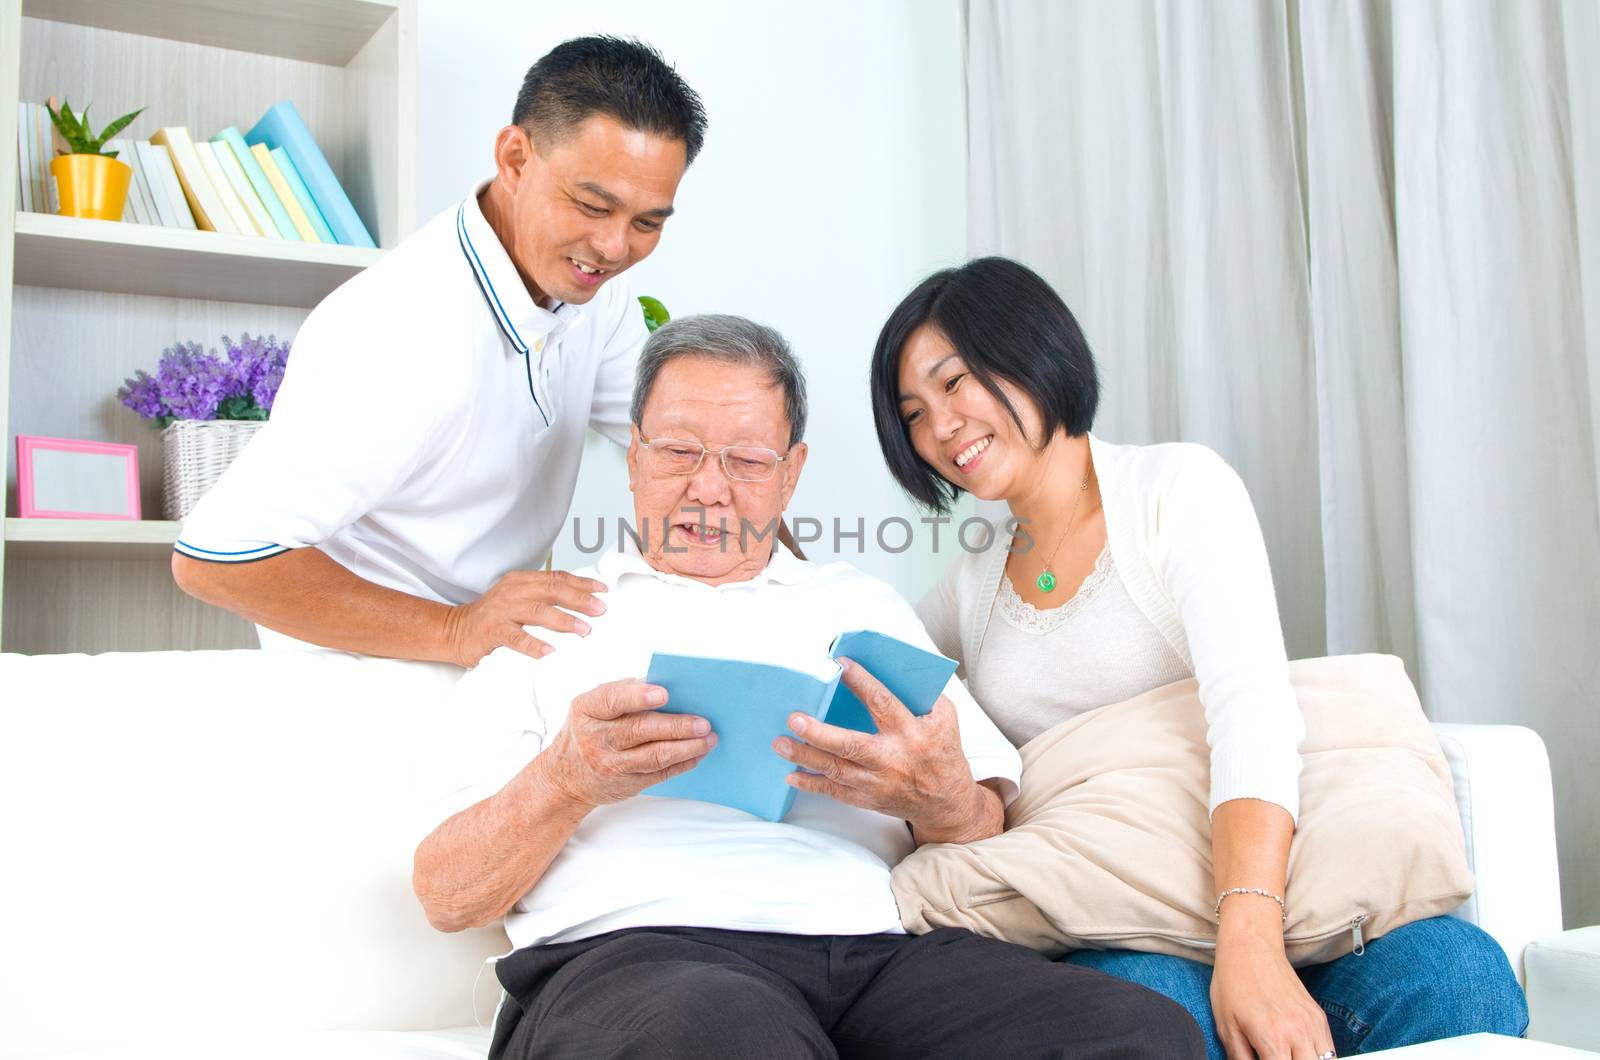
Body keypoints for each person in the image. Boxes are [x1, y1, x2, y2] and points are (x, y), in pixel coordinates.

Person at [414, 314, 1205, 1059]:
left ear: (792, 473)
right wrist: (569, 778)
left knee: (1137, 1032)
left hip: (871, 958)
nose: (709, 489)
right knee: (728, 1032)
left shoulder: (859, 606)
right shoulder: (550, 621)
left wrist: (940, 799)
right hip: (633, 956)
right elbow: (446, 895)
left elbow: (978, 832)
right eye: (679, 452)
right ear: (633, 458)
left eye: (748, 461)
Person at [851, 256, 1529, 1059]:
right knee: (1147, 1015)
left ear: (1030, 348)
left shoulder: (1175, 489)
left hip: (1288, 891)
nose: (941, 427)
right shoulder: (969, 582)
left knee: (1460, 977)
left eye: (955, 381)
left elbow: (1253, 715)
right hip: (1122, 916)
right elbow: (873, 671)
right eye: (915, 413)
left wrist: (1250, 940)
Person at [172, 37, 704, 666]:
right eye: (593, 206)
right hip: (365, 672)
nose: (615, 247)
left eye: (648, 223)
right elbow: (216, 559)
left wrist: (801, 604)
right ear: (514, 158)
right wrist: (457, 630)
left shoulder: (598, 299)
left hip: (486, 661)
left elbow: (693, 449)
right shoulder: (396, 330)